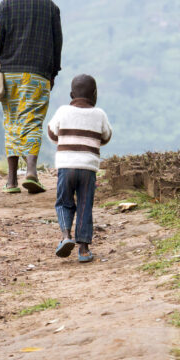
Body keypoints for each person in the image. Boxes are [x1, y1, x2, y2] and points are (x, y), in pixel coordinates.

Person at [0, 0, 62, 194]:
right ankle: (31, 171)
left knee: (11, 121)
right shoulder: (50, 8)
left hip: (9, 73)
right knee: (32, 121)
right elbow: (57, 44)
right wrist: (52, 73)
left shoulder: (3, 7)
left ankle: (11, 180)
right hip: (38, 75)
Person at [47, 74, 112, 263]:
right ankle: (83, 249)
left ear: (71, 94)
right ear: (94, 94)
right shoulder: (100, 114)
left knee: (64, 202)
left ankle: (66, 236)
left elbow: (52, 133)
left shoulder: (62, 111)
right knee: (85, 205)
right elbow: (106, 137)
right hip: (88, 168)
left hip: (66, 166)